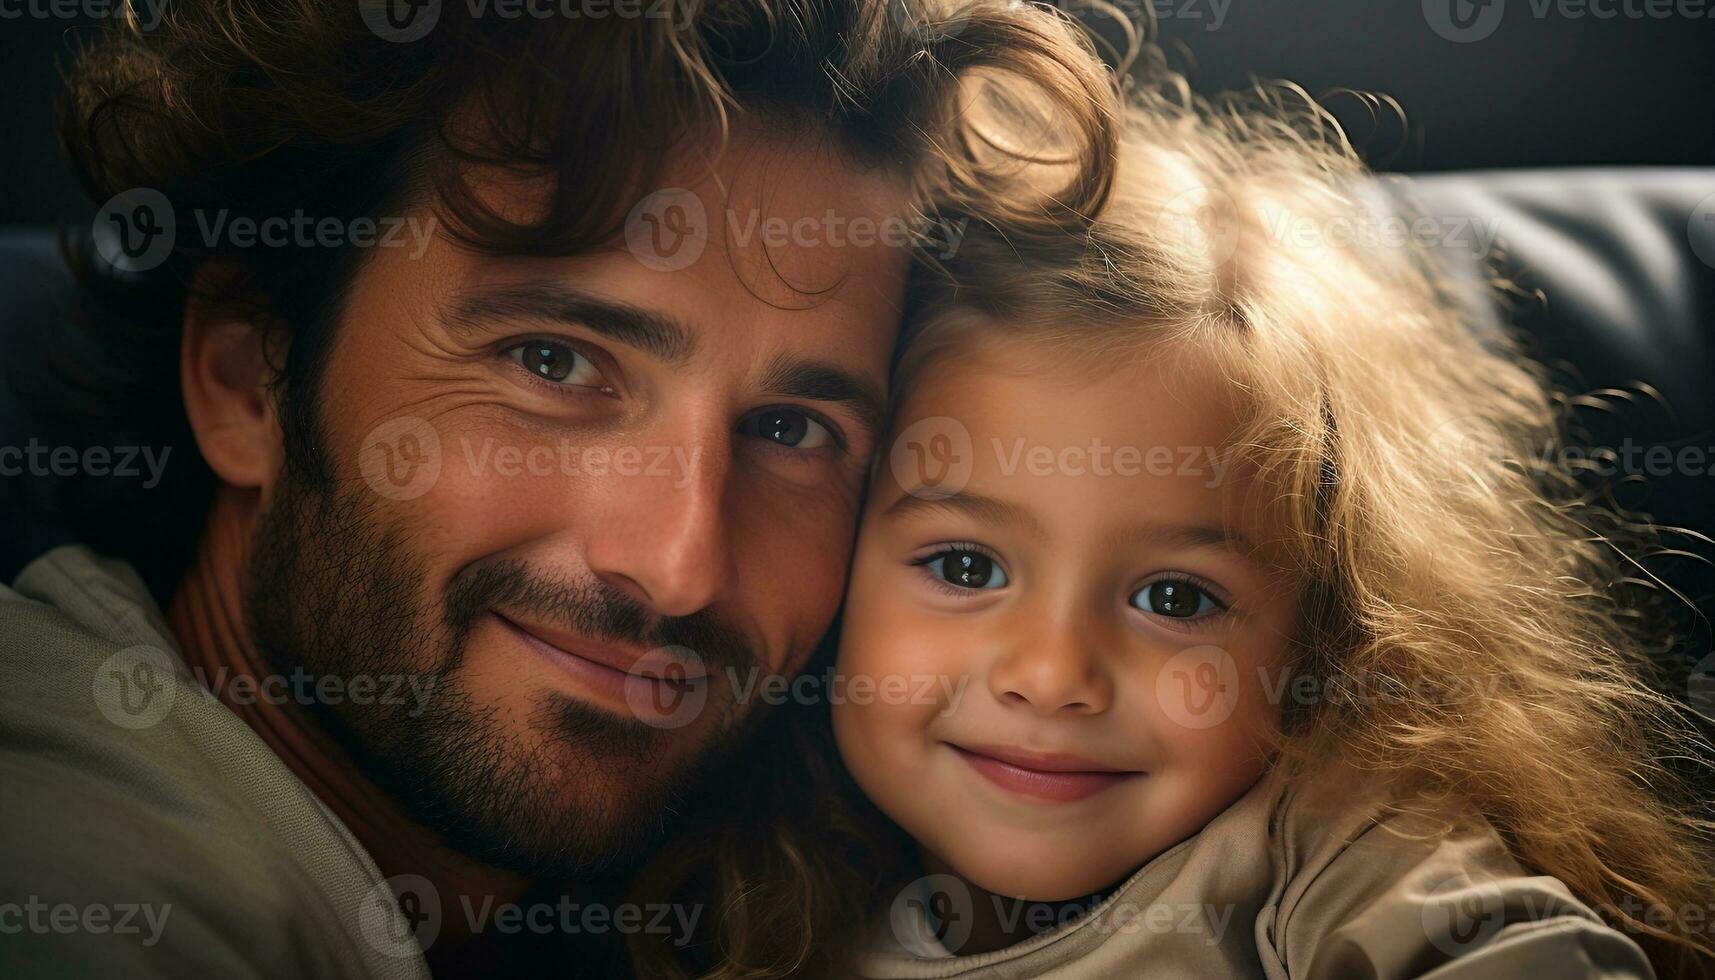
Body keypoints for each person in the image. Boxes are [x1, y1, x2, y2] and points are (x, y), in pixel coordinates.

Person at [0, 2, 1120, 977]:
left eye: (791, 429)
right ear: (247, 376)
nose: (680, 563)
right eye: (554, 363)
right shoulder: (93, 877)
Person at [815, 72, 1715, 978]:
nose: (1052, 676)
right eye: (966, 568)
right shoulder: (765, 889)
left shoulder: (1325, 853)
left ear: (1320, 633)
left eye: (1174, 597)